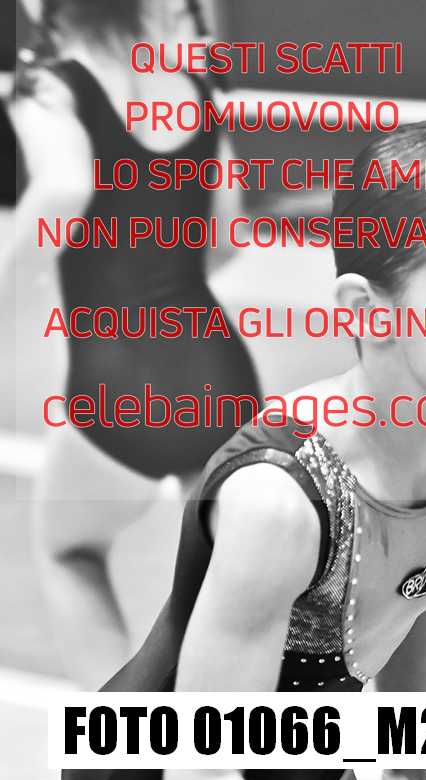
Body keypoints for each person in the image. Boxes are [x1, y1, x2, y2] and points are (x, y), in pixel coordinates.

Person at [62, 121, 426, 780]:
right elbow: (204, 775)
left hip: (303, 750)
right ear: (369, 313)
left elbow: (420, 581)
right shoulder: (281, 503)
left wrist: (404, 769)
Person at [6, 0, 260, 688]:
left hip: (120, 382)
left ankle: (120, 742)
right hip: (219, 370)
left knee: (69, 552)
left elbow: (63, 187)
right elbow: (227, 238)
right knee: (218, 575)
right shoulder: (194, 87)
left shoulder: (53, 84)